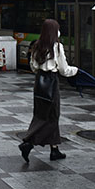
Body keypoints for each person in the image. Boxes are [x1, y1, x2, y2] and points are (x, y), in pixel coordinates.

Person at [18, 19, 77, 162]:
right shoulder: (57, 47)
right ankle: (28, 143)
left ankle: (54, 149)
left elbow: (33, 67)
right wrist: (75, 71)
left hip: (39, 83)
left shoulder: (37, 45)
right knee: (52, 115)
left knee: (41, 114)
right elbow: (64, 69)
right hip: (52, 82)